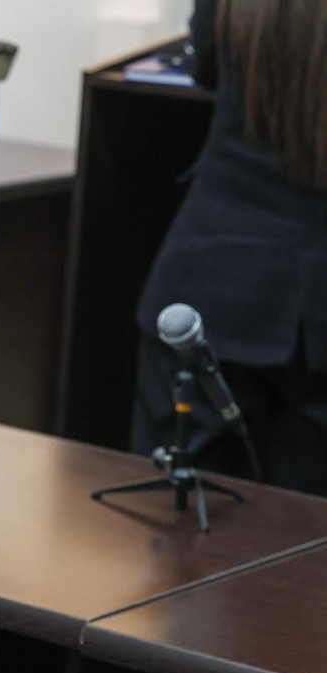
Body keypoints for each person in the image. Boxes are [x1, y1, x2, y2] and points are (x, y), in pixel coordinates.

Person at [133, 0, 327, 496]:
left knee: (177, 517)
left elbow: (207, 68)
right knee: (307, 531)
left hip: (211, 284)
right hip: (310, 314)